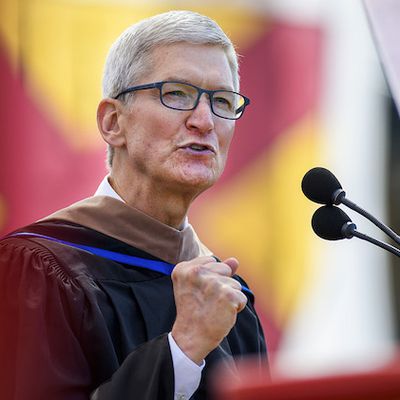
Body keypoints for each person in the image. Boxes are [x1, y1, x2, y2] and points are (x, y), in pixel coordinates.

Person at [0, 10, 267, 400]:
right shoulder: (37, 271)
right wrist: (182, 352)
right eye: (177, 93)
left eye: (223, 101)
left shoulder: (228, 296)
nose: (205, 121)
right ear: (113, 122)